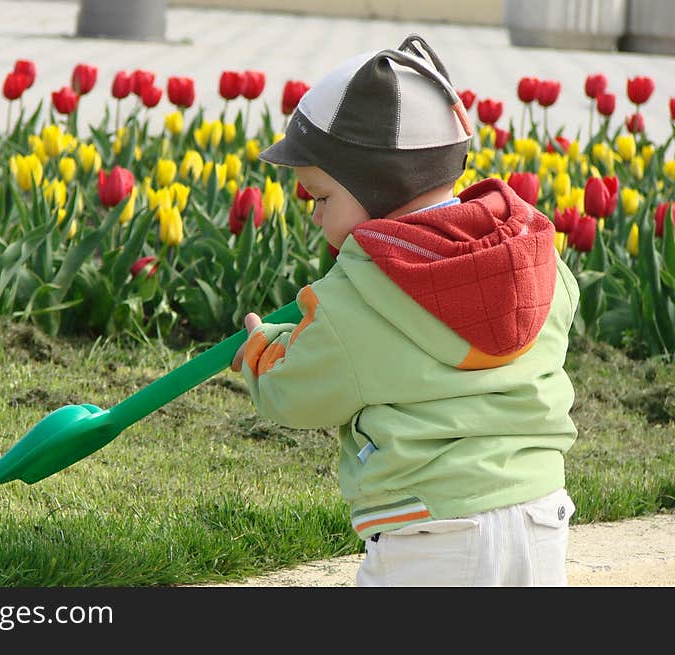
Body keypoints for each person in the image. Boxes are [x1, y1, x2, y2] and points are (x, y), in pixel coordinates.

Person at [230, 34, 581, 586]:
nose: (316, 219)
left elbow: (293, 390)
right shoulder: (536, 261)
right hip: (541, 515)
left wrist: (261, 351)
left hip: (430, 537)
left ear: (380, 186)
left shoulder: (359, 298)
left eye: (321, 198)